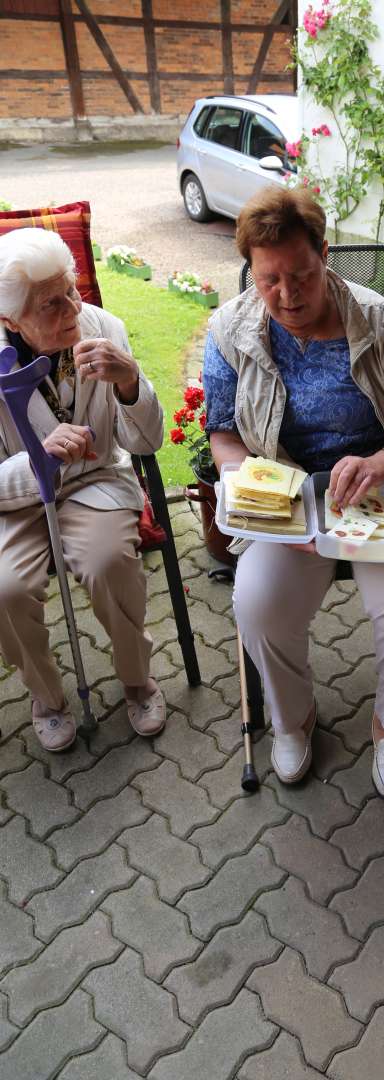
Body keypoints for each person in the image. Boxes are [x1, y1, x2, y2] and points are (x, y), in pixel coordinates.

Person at [204, 187, 384, 798]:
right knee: (258, 601)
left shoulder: (381, 323)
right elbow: (224, 432)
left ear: (325, 255)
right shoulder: (230, 330)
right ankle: (293, 719)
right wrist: (274, 502)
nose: (287, 296)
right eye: (269, 281)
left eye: (302, 275)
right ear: (251, 272)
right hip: (289, 487)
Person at [0, 228, 166, 752]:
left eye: (72, 289)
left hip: (95, 481)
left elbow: (145, 441)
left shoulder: (103, 329)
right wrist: (38, 458)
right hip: (16, 497)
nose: (73, 306)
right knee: (5, 587)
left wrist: (130, 384)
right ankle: (47, 697)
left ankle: (137, 678)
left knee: (108, 561)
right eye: (51, 304)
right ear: (10, 321)